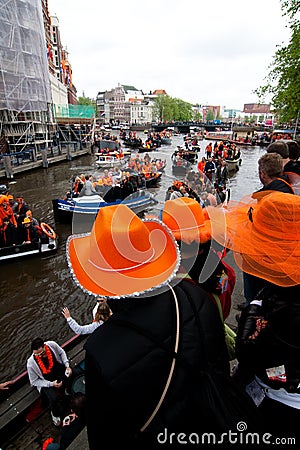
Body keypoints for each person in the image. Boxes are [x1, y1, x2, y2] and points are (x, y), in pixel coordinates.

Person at [66, 204, 256, 448]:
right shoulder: (193, 295)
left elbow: (106, 433)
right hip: (208, 421)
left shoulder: (100, 349)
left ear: (102, 286)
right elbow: (216, 363)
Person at [214, 191, 300, 438]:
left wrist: (253, 314)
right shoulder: (285, 286)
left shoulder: (286, 307)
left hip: (277, 404)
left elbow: (249, 353)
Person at [27, 337, 74, 426]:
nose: (40, 356)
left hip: (58, 371)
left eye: (42, 353)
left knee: (73, 373)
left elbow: (61, 352)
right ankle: (55, 414)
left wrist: (67, 365)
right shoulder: (31, 364)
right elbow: (34, 381)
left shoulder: (52, 345)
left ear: (44, 346)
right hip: (45, 381)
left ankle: (68, 392)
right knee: (53, 398)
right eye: (37, 355)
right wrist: (51, 384)